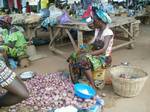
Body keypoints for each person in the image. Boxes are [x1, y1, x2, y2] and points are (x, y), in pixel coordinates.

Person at [68, 8, 114, 88]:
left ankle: (92, 84)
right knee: (73, 57)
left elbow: (103, 50)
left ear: (100, 21)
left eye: (94, 20)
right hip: (96, 54)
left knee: (82, 59)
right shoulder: (98, 29)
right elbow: (92, 42)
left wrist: (88, 53)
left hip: (104, 58)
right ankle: (76, 82)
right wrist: (82, 48)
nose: (93, 22)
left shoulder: (108, 33)